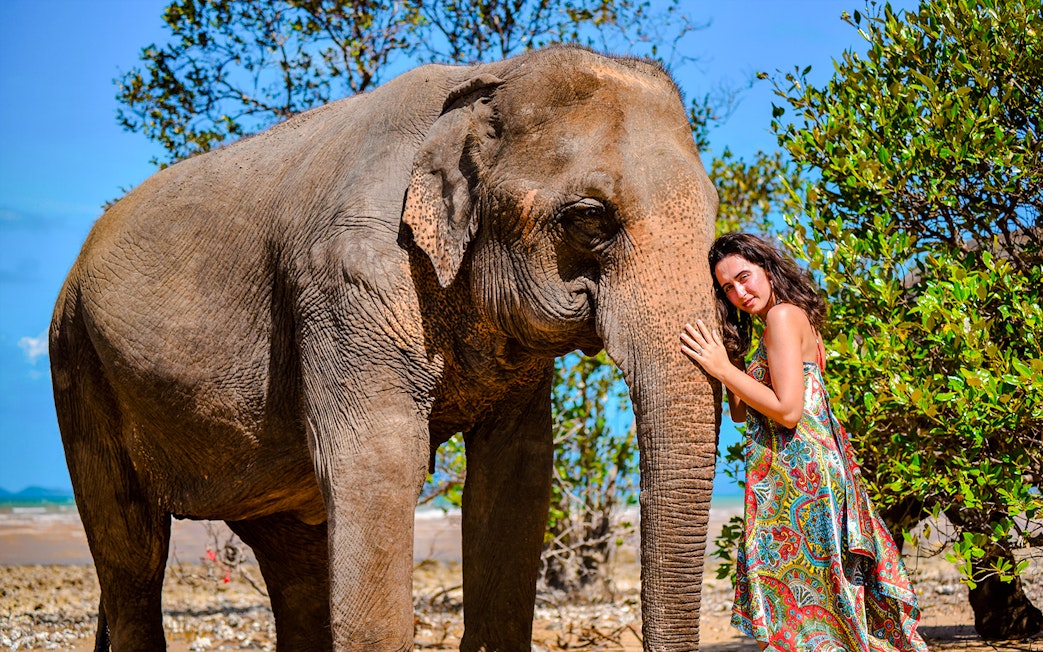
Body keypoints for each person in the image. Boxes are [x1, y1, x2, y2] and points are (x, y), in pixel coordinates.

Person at [681, 232, 929, 651]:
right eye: (728, 288)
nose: (740, 292)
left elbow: (789, 410)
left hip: (804, 478)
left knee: (812, 599)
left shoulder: (782, 317)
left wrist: (722, 368)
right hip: (786, 477)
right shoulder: (780, 323)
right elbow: (743, 412)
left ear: (767, 268)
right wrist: (733, 357)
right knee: (812, 600)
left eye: (745, 277)